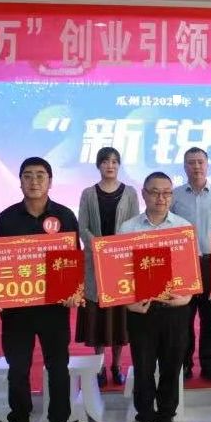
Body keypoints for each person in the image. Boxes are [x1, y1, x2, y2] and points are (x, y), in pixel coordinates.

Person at [0, 157, 80, 422]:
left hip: (54, 309)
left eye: (40, 175)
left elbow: (73, 260)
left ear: (50, 181)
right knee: (18, 369)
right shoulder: (6, 218)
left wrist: (74, 291)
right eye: (27, 175)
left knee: (58, 367)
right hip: (17, 310)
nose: (34, 181)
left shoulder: (65, 216)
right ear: (20, 181)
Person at [120, 172, 193, 422]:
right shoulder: (128, 228)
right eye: (154, 192)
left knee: (172, 366)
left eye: (166, 193)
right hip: (142, 310)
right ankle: (145, 419)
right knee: (143, 367)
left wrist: (187, 297)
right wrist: (128, 302)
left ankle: (166, 417)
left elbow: (192, 269)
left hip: (175, 309)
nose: (161, 198)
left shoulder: (183, 227)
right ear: (144, 194)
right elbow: (118, 271)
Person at [75, 147, 139, 387]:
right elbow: (83, 227)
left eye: (114, 161)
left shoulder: (130, 193)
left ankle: (117, 365)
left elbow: (134, 225)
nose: (110, 165)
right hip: (95, 263)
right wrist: (100, 248)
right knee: (98, 316)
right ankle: (100, 366)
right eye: (105, 161)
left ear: (119, 165)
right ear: (98, 165)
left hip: (121, 263)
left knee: (119, 317)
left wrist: (116, 250)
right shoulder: (88, 193)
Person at [170, 147, 211, 383]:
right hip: (185, 264)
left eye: (200, 162)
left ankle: (209, 364)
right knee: (184, 318)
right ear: (184, 167)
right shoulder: (174, 195)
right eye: (191, 162)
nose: (196, 166)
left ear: (207, 165)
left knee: (209, 319)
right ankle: (184, 364)